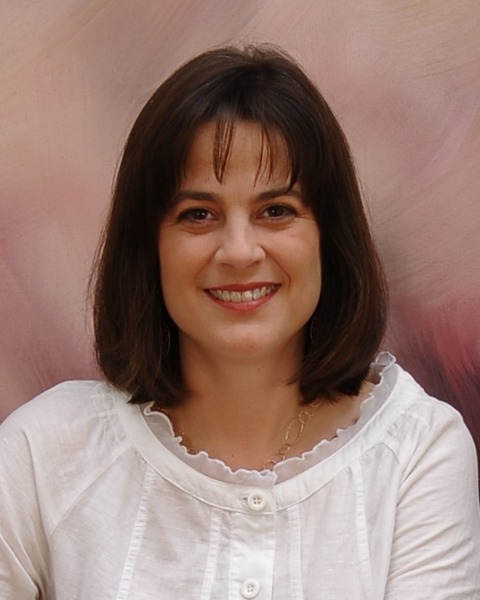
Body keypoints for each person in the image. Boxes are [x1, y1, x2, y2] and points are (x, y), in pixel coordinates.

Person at [1, 45, 479, 599]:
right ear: (148, 248)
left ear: (329, 238)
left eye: (276, 211)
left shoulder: (417, 452)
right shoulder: (43, 453)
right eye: (198, 214)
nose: (239, 250)